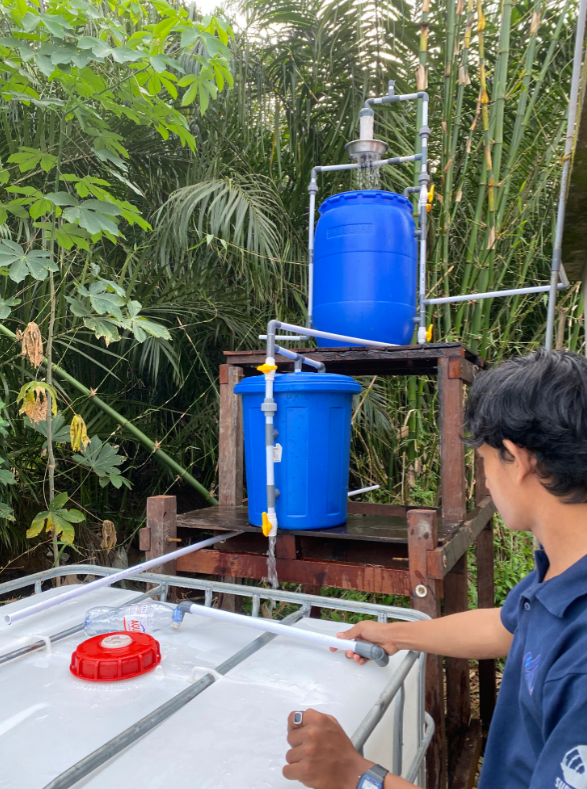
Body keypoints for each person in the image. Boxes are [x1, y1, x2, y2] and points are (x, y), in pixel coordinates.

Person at [283, 349, 587, 789]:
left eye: (483, 461)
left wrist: (355, 774)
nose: (485, 480)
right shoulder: (563, 572)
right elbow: (508, 628)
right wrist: (393, 634)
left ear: (517, 459)